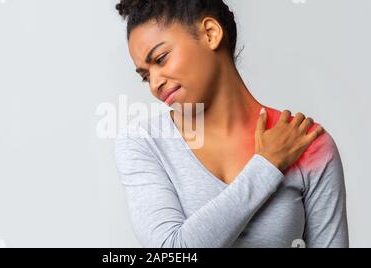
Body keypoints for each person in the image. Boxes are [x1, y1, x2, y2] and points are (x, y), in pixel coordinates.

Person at [114, 0, 349, 248]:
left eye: (161, 59)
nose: (154, 84)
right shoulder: (143, 143)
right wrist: (267, 167)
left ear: (210, 34)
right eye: (145, 76)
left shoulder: (306, 143)